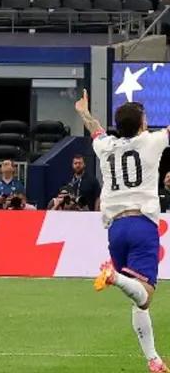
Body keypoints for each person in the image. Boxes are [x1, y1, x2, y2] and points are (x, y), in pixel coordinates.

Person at [76, 90, 170, 373]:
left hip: (116, 228)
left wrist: (83, 112)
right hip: (141, 224)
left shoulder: (105, 146)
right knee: (147, 294)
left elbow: (96, 130)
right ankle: (114, 276)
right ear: (142, 123)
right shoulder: (153, 141)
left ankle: (153, 360)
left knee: (139, 301)